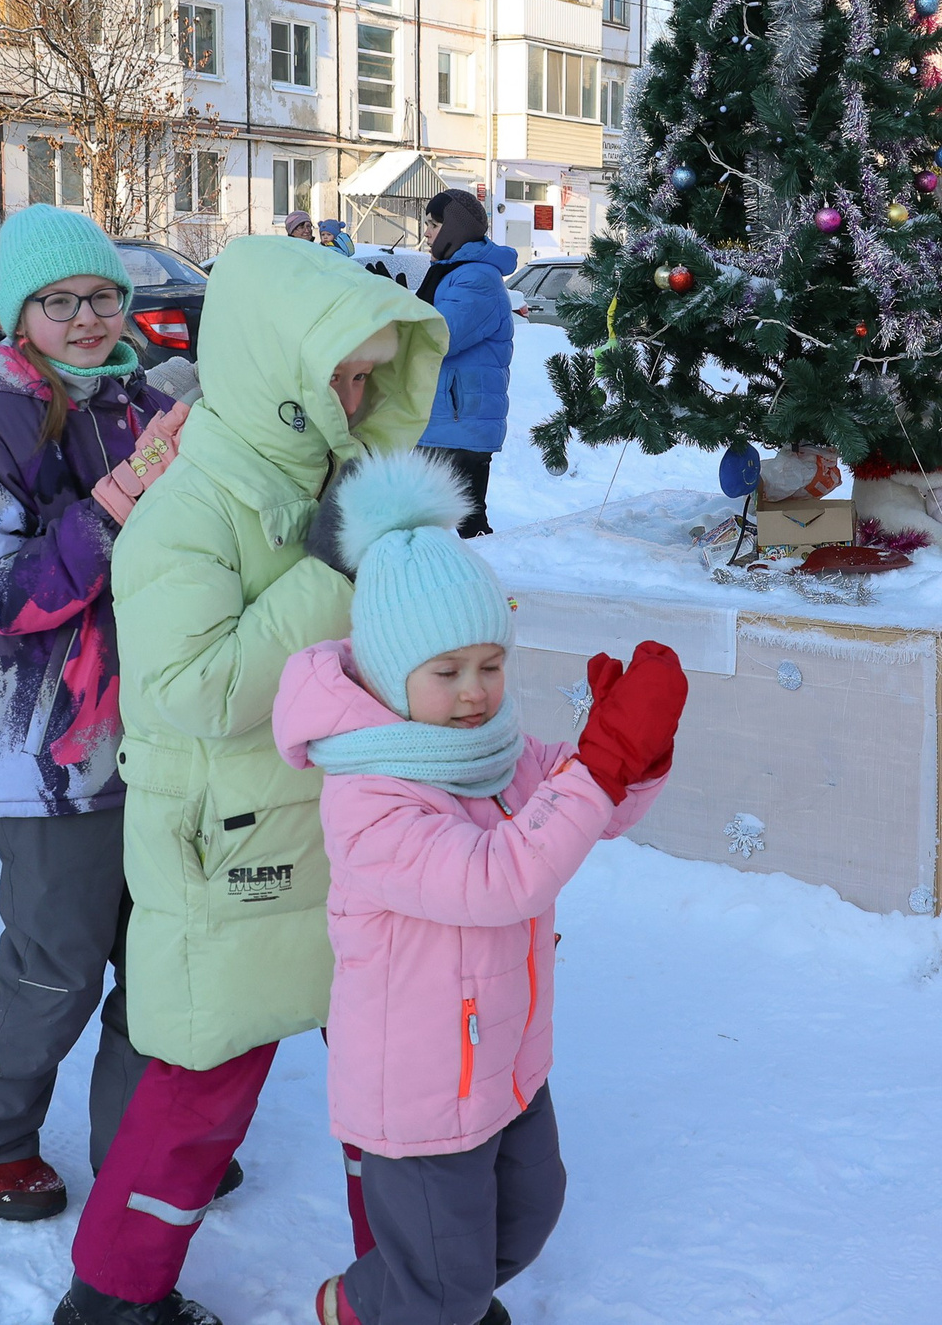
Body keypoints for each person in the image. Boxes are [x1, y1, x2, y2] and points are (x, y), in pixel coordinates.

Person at [57, 237, 445, 1325]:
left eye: (372, 378)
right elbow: (195, 688)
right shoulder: (186, 507)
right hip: (233, 850)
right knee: (201, 1084)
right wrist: (329, 570)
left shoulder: (340, 479)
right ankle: (113, 1297)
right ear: (279, 369)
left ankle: (413, 1288)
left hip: (357, 832)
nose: (358, 401)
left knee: (391, 1077)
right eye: (342, 377)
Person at [276, 453, 685, 1325]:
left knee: (528, 1217)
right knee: (446, 1282)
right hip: (420, 1085)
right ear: (388, 671)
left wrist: (631, 757)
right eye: (447, 670)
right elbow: (501, 877)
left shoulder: (493, 752)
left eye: (489, 665)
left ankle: (409, 1300)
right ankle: (382, 1306)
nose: (474, 693)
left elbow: (587, 806)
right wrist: (601, 764)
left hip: (505, 1058)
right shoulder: (370, 797)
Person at [0, 205, 191, 1223]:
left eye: (103, 296)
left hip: (159, 730)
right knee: (57, 963)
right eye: (59, 301)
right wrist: (118, 500)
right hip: (45, 747)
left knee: (158, 959)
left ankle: (138, 1141)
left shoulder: (146, 404)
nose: (87, 317)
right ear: (18, 313)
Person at [413, 188, 518, 539]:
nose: (426, 232)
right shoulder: (451, 272)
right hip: (445, 421)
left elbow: (441, 336)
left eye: (434, 224)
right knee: (429, 519)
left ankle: (489, 574)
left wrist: (397, 307)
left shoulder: (476, 278)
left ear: (454, 229)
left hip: (461, 423)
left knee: (465, 523)